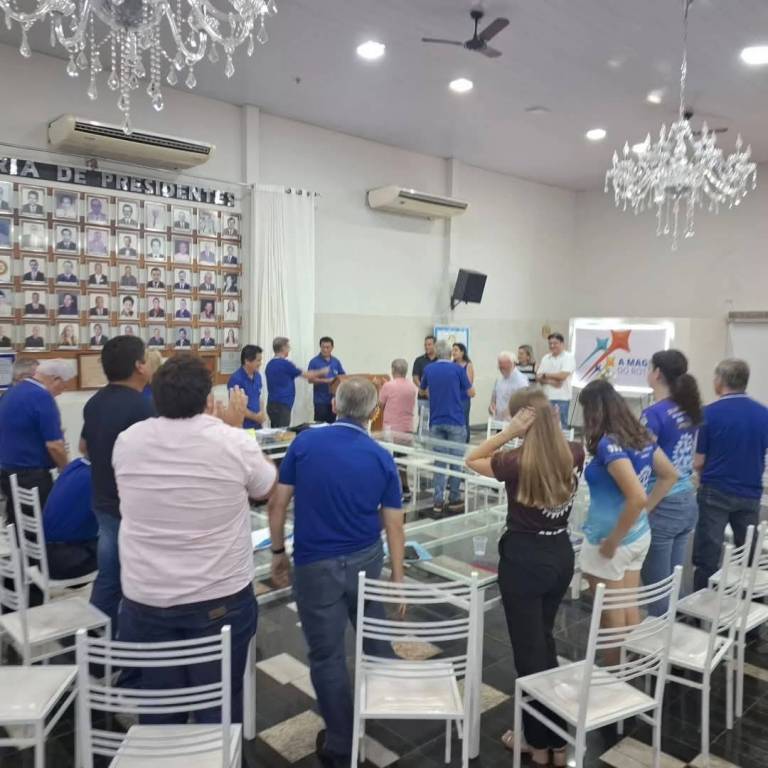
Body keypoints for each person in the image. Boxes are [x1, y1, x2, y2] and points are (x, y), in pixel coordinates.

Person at [114, 355, 274, 725]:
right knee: (218, 702)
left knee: (160, 701)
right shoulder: (231, 441)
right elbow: (265, 487)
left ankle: (166, 747)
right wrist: (234, 428)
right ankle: (218, 749)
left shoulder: (128, 441)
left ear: (156, 396)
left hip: (147, 596)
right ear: (207, 398)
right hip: (219, 598)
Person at [268, 378, 405, 768]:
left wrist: (278, 553)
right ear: (374, 413)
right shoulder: (381, 457)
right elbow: (394, 524)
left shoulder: (305, 444)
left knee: (327, 656)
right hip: (365, 559)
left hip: (314, 564)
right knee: (372, 629)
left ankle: (341, 743)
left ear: (334, 405)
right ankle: (386, 700)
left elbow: (277, 505)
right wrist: (398, 578)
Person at [466, 387, 585, 766]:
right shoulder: (575, 451)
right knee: (544, 644)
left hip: (524, 560)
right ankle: (556, 740)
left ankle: (538, 743)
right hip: (560, 554)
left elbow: (472, 458)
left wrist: (507, 433)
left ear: (523, 420)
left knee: (529, 655)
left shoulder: (514, 461)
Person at [578, 380, 677, 640]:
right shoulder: (641, 436)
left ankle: (615, 664)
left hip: (611, 540)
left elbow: (636, 497)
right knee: (628, 606)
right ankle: (633, 661)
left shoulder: (608, 444)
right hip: (637, 535)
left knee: (611, 617)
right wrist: (644, 511)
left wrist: (613, 540)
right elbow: (669, 475)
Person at [81, 335, 154, 633]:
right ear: (139, 366)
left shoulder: (94, 402)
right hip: (132, 509)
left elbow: (84, 447)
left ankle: (96, 640)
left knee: (108, 576)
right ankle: (130, 643)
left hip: (103, 499)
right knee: (138, 580)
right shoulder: (143, 408)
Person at [692, 359, 768, 590]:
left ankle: (703, 603)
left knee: (708, 555)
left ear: (721, 380)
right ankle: (749, 602)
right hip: (750, 492)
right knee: (748, 553)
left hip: (715, 491)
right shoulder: (763, 414)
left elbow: (699, 461)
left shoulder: (708, 414)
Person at [640, 350, 703, 614]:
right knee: (673, 581)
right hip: (686, 499)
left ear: (657, 373)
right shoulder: (687, 409)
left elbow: (642, 460)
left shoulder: (653, 414)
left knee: (656, 587)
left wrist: (643, 507)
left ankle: (660, 636)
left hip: (662, 501)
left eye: (649, 367)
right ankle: (674, 632)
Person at [0, 359, 71, 525]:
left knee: (17, 525)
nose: (61, 392)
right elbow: (54, 445)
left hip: (7, 472)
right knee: (43, 525)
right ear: (56, 379)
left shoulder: (11, 392)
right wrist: (66, 470)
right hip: (32, 476)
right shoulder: (42, 396)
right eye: (63, 386)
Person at [419, 340, 475, 514]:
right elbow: (471, 392)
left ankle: (438, 500)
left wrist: (436, 394)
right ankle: (454, 498)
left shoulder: (429, 369)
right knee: (456, 461)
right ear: (450, 353)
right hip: (455, 419)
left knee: (440, 462)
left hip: (436, 420)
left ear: (436, 352)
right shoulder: (457, 369)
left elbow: (422, 390)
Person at [42, 458, 99, 580]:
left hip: (43, 555)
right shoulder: (99, 477)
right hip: (67, 560)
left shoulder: (75, 465)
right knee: (118, 550)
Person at [265, 337, 326, 427]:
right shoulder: (286, 364)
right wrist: (322, 371)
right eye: (288, 347)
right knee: (282, 432)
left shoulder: (269, 364)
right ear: (283, 348)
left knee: (275, 430)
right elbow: (307, 375)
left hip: (271, 404)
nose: (289, 349)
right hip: (282, 405)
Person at [379, 358, 418, 501]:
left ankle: (393, 491)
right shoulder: (412, 386)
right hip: (407, 428)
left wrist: (380, 387)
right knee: (402, 461)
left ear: (393, 370)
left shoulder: (388, 386)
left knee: (390, 461)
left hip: (392, 429)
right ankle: (406, 489)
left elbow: (380, 404)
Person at [536, 333, 575, 428]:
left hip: (561, 398)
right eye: (550, 343)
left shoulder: (568, 357)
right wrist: (552, 382)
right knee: (545, 426)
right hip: (546, 397)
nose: (552, 346)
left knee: (560, 427)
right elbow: (538, 377)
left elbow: (562, 376)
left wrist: (545, 375)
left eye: (555, 343)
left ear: (562, 343)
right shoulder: (546, 358)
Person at [308, 337, 346, 423]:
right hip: (320, 400)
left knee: (332, 424)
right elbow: (310, 380)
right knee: (320, 425)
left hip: (334, 400)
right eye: (323, 347)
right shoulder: (314, 362)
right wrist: (326, 381)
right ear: (320, 347)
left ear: (332, 348)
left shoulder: (336, 362)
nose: (325, 350)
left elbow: (342, 376)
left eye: (328, 347)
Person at [228, 345, 265, 429]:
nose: (260, 363)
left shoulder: (258, 376)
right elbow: (236, 406)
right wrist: (256, 417)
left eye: (260, 360)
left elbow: (259, 397)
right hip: (243, 427)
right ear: (247, 361)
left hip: (258, 425)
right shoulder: (236, 379)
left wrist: (262, 413)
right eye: (258, 360)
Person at [489, 351, 529, 420]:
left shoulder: (521, 381)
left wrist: (508, 411)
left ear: (512, 364)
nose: (502, 370)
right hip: (498, 421)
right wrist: (492, 406)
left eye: (504, 367)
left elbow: (524, 404)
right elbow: (494, 398)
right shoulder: (499, 379)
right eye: (500, 367)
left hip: (514, 421)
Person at [412, 335, 437, 427]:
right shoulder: (419, 360)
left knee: (436, 423)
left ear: (435, 345)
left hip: (437, 397)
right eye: (425, 345)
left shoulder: (440, 360)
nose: (426, 347)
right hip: (423, 398)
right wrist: (423, 389)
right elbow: (415, 377)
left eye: (429, 344)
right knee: (423, 423)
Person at [452, 343, 474, 442]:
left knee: (464, 421)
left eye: (456, 350)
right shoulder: (451, 365)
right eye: (453, 350)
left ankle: (465, 442)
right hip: (453, 398)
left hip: (463, 398)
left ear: (462, 352)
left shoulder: (468, 365)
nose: (453, 352)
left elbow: (469, 383)